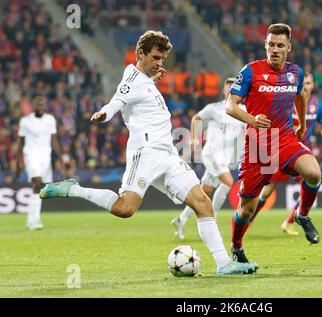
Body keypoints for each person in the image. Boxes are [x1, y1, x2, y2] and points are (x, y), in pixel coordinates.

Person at [39, 30, 257, 275]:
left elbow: (140, 89)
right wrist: (104, 114)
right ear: (139, 54)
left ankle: (224, 264)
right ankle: (73, 188)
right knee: (125, 209)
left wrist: (153, 76)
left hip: (167, 153)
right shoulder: (131, 81)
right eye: (155, 58)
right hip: (146, 152)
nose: (159, 63)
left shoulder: (144, 78)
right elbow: (117, 101)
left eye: (162, 60)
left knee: (203, 203)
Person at [225, 23, 322, 263]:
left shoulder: (296, 73)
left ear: (288, 47)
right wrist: (251, 119)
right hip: (257, 145)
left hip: (285, 138)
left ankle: (302, 214)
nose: (275, 49)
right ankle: (237, 248)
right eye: (271, 45)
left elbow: (301, 94)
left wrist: (299, 123)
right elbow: (230, 105)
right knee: (247, 209)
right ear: (265, 45)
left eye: (280, 45)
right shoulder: (251, 71)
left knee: (313, 173)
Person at [249, 72, 322, 236]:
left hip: (302, 154)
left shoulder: (318, 105)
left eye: (309, 83)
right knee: (266, 192)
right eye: (303, 83)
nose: (306, 86)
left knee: (311, 183)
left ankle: (290, 221)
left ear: (313, 85)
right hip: (282, 150)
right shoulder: (287, 100)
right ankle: (248, 221)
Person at [171, 77, 245, 239]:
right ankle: (213, 220)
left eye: (234, 88)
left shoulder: (243, 110)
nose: (231, 91)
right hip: (211, 152)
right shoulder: (215, 108)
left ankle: (180, 220)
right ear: (224, 91)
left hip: (225, 157)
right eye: (228, 88)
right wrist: (194, 138)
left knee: (204, 191)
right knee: (227, 182)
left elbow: (247, 130)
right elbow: (196, 118)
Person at [17, 96, 62, 230]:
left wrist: (62, 157)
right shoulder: (25, 121)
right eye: (38, 105)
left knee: (40, 188)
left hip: (45, 158)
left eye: (43, 105)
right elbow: (21, 142)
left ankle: (33, 219)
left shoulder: (50, 119)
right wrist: (17, 161)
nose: (40, 107)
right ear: (33, 106)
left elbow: (54, 140)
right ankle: (33, 221)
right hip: (31, 155)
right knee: (36, 183)